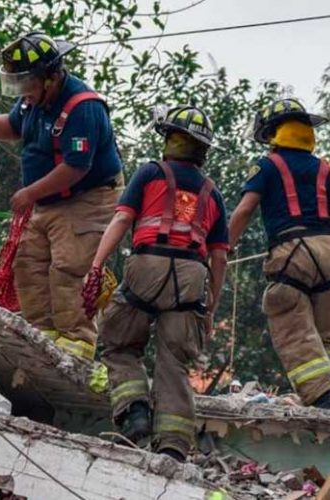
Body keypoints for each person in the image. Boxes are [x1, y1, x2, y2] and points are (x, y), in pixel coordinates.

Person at [0, 32, 123, 360]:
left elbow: (76, 167)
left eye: (26, 81)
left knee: (68, 267)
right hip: (47, 199)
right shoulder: (32, 100)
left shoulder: (83, 107)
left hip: (86, 198)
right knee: (29, 265)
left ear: (51, 77)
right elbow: (13, 127)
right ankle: (42, 338)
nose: (21, 92)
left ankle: (76, 346)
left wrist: (30, 192)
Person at [82, 106, 229, 462]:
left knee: (119, 342)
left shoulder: (151, 173)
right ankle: (173, 447)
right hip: (192, 277)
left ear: (169, 140)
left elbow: (122, 219)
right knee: (174, 363)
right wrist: (210, 308)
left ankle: (135, 413)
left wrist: (96, 265)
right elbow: (220, 257)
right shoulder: (213, 193)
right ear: (203, 150)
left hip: (146, 266)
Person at [229, 98, 330, 412]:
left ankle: (323, 397)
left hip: (291, 252)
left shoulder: (266, 166)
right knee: (327, 330)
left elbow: (245, 209)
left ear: (276, 133)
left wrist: (223, 248)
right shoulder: (328, 169)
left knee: (293, 326)